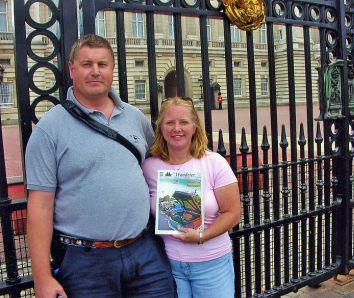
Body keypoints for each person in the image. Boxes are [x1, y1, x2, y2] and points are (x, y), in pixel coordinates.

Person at [25, 34, 175, 298]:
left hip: (144, 252)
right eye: (87, 64)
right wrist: (42, 277)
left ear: (112, 69)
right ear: (72, 69)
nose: (95, 71)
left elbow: (159, 168)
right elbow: (40, 205)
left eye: (102, 64)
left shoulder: (134, 117)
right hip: (86, 263)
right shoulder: (50, 129)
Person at [142, 96, 240, 298]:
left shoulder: (214, 163)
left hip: (212, 265)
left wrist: (202, 236)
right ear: (161, 127)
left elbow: (233, 213)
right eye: (170, 122)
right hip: (168, 265)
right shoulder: (149, 167)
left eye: (184, 122)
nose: (176, 128)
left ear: (195, 127)